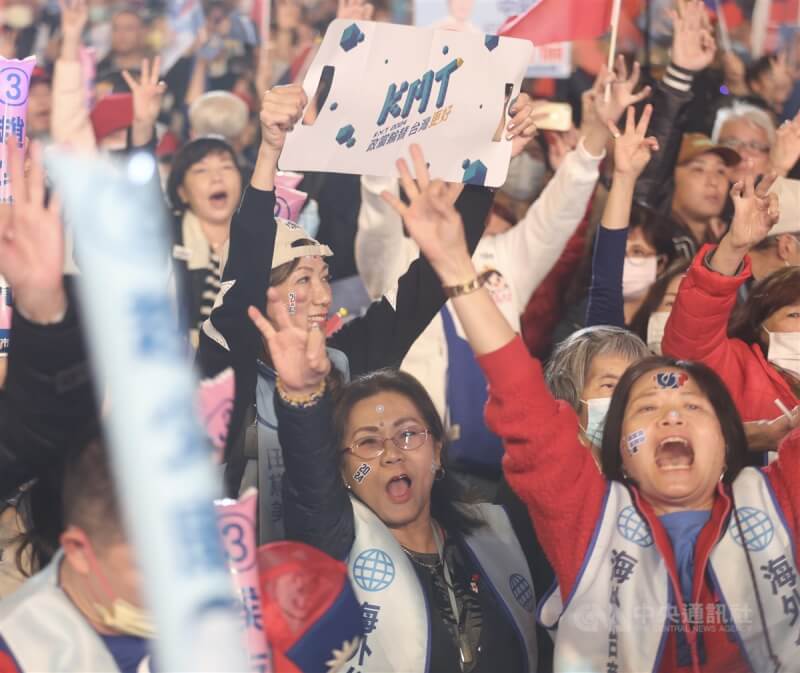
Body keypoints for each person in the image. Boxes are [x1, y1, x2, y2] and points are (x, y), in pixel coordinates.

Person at [379, 105, 800, 673]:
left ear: (728, 435)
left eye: (690, 405)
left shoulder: (779, 501)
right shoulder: (587, 518)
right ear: (612, 443)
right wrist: (455, 267)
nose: (671, 418)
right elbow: (523, 395)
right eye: (646, 407)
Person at [196, 84, 536, 542]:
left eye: (324, 277)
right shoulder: (225, 367)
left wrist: (488, 171)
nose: (322, 296)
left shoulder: (347, 361)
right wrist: (270, 150)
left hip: (347, 574)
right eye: (302, 280)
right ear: (263, 292)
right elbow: (245, 264)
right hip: (244, 583)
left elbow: (426, 285)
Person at [355, 61, 649, 478]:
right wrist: (379, 141)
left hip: (502, 468)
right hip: (412, 466)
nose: (443, 182)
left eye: (456, 168)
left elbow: (558, 214)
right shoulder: (395, 259)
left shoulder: (503, 257)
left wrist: (596, 133)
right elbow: (377, 218)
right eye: (433, 167)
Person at [255, 307, 538, 672]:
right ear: (342, 470)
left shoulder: (496, 532)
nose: (391, 454)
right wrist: (302, 398)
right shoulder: (332, 543)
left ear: (436, 449)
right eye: (368, 442)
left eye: (407, 434)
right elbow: (310, 487)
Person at [662, 172, 800, 448]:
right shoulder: (737, 369)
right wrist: (734, 247)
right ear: (759, 327)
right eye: (795, 315)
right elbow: (691, 342)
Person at [166, 136, 244, 344]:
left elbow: (291, 298)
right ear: (182, 192)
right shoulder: (162, 237)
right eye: (201, 170)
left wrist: (292, 307)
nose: (217, 177)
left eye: (226, 167)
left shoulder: (264, 235)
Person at [669, 132, 739, 257]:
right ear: (671, 178)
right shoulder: (658, 244)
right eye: (698, 169)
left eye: (720, 171)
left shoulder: (723, 240)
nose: (713, 182)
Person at [95, 8, 149, 81]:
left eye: (128, 28)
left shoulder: (155, 68)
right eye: (116, 29)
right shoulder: (98, 71)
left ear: (142, 33)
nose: (121, 34)